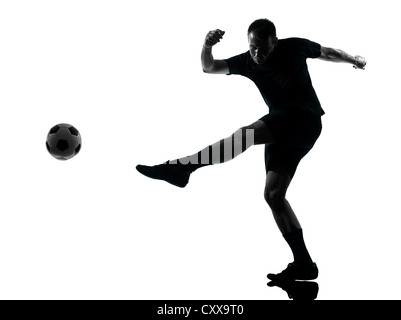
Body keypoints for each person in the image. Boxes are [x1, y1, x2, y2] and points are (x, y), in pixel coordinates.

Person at [136, 18, 366, 283]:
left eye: (262, 48)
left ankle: (182, 167)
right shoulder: (247, 61)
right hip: (283, 130)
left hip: (303, 117)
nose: (257, 54)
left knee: (243, 136)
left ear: (274, 41)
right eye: (253, 47)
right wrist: (206, 45)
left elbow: (328, 53)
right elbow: (208, 67)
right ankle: (304, 264)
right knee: (273, 195)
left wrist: (353, 59)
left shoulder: (294, 47)